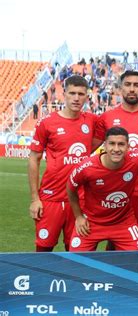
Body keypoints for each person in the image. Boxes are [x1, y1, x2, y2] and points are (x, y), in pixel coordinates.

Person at [93, 70, 138, 250]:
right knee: (114, 237)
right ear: (120, 88)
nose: (132, 89)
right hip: (115, 188)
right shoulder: (107, 117)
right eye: (128, 84)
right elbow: (92, 150)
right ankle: (113, 277)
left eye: (136, 85)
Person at [28, 75, 97, 252]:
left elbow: (119, 118)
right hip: (51, 198)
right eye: (72, 93)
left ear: (86, 96)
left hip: (80, 199)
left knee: (76, 252)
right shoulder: (47, 123)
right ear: (63, 94)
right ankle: (40, 281)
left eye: (81, 94)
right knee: (43, 250)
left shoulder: (91, 121)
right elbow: (34, 159)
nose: (76, 98)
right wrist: (35, 199)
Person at [67, 127, 138, 251]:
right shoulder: (86, 168)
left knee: (135, 259)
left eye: (121, 144)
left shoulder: (137, 158)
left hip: (123, 222)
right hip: (92, 222)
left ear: (128, 147)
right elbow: (71, 189)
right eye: (112, 144)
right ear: (104, 146)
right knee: (76, 262)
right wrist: (78, 217)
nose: (116, 149)